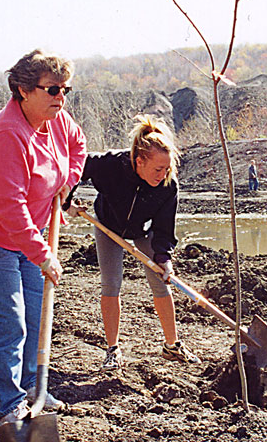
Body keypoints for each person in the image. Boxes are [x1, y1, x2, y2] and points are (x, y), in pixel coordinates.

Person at [0, 49, 87, 429]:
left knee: (35, 313)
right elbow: (9, 206)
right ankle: (9, 409)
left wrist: (68, 181)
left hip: (29, 232)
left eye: (66, 90)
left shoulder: (56, 119)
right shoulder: (8, 134)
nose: (61, 97)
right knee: (9, 323)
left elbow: (78, 147)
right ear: (23, 90)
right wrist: (43, 254)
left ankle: (31, 388)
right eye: (52, 90)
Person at [68, 114, 199, 372]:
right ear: (139, 161)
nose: (162, 175)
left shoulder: (168, 186)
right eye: (157, 169)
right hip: (108, 226)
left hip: (142, 230)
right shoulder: (112, 165)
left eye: (166, 169)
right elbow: (76, 167)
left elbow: (163, 227)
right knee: (111, 284)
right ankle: (113, 350)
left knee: (161, 282)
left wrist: (164, 258)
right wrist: (67, 201)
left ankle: (172, 346)